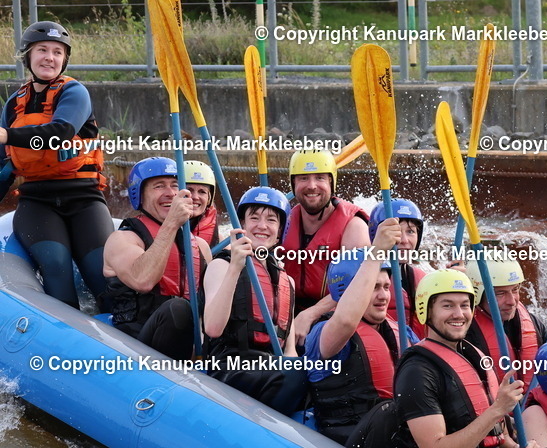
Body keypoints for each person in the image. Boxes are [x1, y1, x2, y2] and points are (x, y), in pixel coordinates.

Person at [392, 270, 547, 448]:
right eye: (447, 306)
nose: (459, 314)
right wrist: (497, 409)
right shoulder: (416, 371)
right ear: (425, 311)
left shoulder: (473, 355)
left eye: (465, 305)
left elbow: (497, 435)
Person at [0, 21, 112, 311]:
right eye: (42, 50)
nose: (50, 57)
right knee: (56, 266)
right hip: (37, 202)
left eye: (57, 52)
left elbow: (60, 133)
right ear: (28, 56)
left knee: (102, 274)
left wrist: (8, 135)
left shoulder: (74, 92)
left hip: (84, 199)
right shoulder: (13, 105)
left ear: (64, 59)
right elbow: (5, 166)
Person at [305, 217, 414, 444]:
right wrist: (376, 253)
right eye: (374, 287)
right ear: (347, 290)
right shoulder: (323, 332)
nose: (383, 296)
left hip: (397, 439)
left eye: (386, 287)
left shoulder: (401, 332)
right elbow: (346, 321)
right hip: (348, 443)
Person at [202, 187, 306, 414]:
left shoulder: (287, 281)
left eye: (271, 220)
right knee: (292, 375)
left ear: (280, 231)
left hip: (270, 368)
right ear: (243, 224)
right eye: (254, 218)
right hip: (231, 367)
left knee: (306, 373)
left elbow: (289, 351)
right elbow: (212, 328)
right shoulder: (222, 265)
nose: (262, 226)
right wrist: (235, 268)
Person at [103, 157, 211, 360]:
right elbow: (142, 281)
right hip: (137, 344)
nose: (170, 193)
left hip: (190, 344)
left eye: (175, 185)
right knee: (177, 308)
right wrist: (171, 223)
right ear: (139, 195)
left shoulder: (200, 246)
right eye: (159, 186)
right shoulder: (123, 239)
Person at [279, 149, 371, 343]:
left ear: (331, 182)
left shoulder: (354, 225)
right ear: (293, 184)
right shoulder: (281, 220)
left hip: (336, 316)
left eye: (320, 178)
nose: (312, 186)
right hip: (288, 312)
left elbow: (358, 285)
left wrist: (311, 314)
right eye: (303, 178)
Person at [465, 256, 547, 387]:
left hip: (532, 399)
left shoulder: (532, 323)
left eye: (515, 289)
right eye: (500, 293)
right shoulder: (463, 334)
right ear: (477, 295)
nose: (511, 301)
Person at [367, 197, 427, 339]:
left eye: (410, 231)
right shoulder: (361, 275)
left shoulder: (422, 279)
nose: (404, 240)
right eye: (396, 231)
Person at [183, 159, 219, 247]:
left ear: (209, 199)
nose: (195, 197)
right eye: (189, 190)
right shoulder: (162, 228)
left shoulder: (221, 242)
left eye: (202, 192)